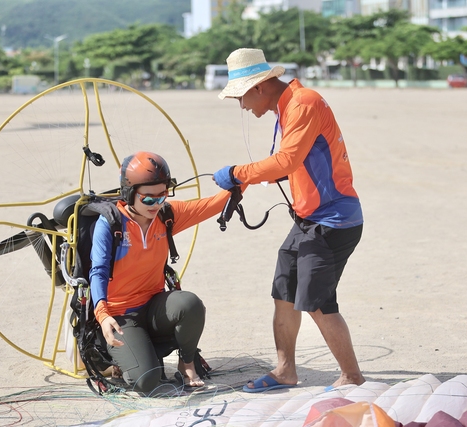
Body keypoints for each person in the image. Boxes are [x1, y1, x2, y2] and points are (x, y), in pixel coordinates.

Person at [213, 48, 366, 392]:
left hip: (333, 220)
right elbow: (289, 163)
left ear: (260, 87)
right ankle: (285, 371)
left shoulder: (304, 103)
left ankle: (353, 377)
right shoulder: (286, 106)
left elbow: (286, 161)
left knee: (318, 304)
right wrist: (243, 183)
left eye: (241, 97)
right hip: (309, 219)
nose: (242, 106)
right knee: (284, 290)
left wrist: (238, 172)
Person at [90, 151, 231, 395]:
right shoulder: (111, 225)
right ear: (129, 194)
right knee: (146, 381)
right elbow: (98, 271)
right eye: (148, 199)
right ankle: (123, 357)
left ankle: (186, 363)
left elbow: (214, 204)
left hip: (154, 307)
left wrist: (245, 176)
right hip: (121, 317)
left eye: (162, 195)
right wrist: (102, 315)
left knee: (189, 304)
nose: (156, 204)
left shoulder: (166, 216)